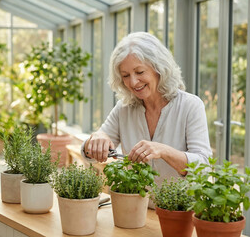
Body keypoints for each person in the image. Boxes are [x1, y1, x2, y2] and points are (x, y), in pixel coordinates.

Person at [82, 32, 212, 184]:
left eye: (140, 72)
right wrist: (96, 139)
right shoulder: (124, 108)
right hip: (137, 205)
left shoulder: (190, 105)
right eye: (125, 75)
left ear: (159, 68)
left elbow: (203, 166)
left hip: (179, 207)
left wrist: (163, 151)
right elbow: (87, 155)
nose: (133, 82)